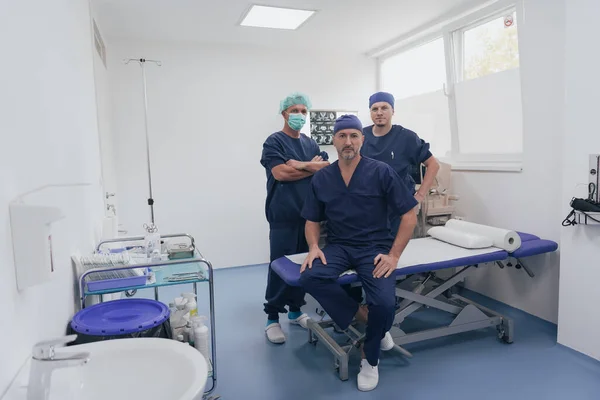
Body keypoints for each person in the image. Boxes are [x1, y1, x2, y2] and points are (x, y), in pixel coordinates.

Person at [299, 114, 418, 391]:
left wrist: (394, 256)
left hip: (375, 248)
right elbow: (312, 220)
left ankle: (370, 356)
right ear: (333, 141)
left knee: (386, 305)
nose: (348, 141)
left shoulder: (380, 172)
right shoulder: (323, 177)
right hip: (339, 246)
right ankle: (365, 318)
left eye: (354, 135)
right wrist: (314, 247)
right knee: (309, 277)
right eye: (342, 136)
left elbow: (409, 215)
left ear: (362, 139)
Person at [260, 92, 330, 344]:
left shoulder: (311, 144)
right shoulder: (274, 142)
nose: (299, 115)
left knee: (304, 264)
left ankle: (296, 310)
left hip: (309, 215)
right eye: (294, 110)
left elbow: (323, 169)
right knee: (280, 266)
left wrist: (300, 164)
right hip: (283, 214)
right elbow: (280, 174)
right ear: (284, 114)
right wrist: (309, 166)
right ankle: (272, 318)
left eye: (303, 111)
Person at [362, 91, 440, 236]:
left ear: (393, 111)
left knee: (399, 253)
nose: (379, 112)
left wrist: (420, 196)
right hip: (369, 207)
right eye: (375, 109)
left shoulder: (406, 137)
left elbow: (433, 165)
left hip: (399, 207)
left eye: (384, 108)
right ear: (370, 112)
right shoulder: (361, 136)